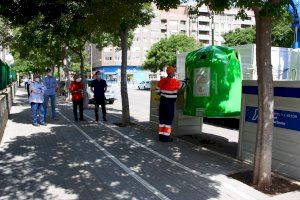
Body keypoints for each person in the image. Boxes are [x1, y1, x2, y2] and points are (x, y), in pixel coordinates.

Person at [155, 66, 188, 142]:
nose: (174, 73)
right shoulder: (175, 82)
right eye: (173, 71)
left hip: (162, 103)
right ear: (171, 72)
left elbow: (157, 91)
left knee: (162, 121)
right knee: (168, 121)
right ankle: (166, 138)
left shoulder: (162, 80)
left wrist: (164, 93)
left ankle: (161, 137)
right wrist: (185, 81)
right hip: (170, 104)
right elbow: (183, 85)